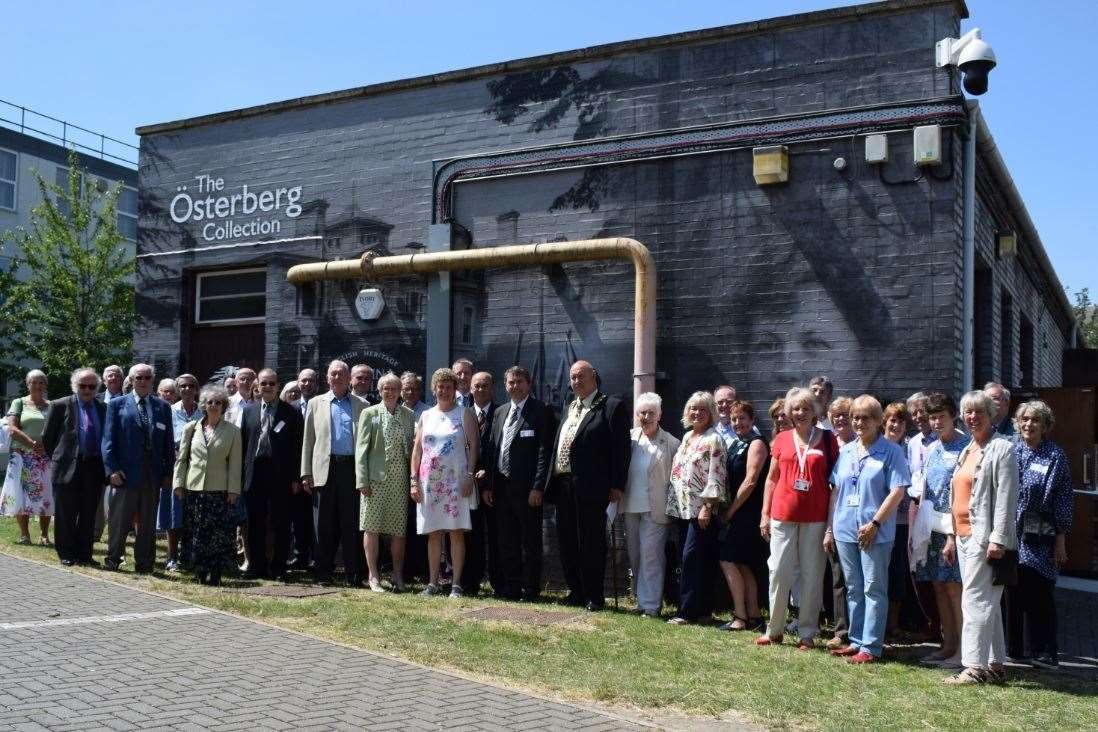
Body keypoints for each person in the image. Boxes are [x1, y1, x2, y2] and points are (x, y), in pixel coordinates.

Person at [826, 395, 911, 663]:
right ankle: (856, 640)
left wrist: (875, 523)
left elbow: (898, 491)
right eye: (855, 417)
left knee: (874, 588)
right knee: (853, 587)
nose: (859, 422)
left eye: (865, 417)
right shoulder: (847, 450)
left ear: (878, 421)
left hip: (875, 532)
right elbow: (836, 490)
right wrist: (830, 528)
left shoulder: (891, 452)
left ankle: (872, 646)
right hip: (844, 530)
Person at [944, 390, 1019, 685]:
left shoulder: (1003, 448)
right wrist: (952, 536)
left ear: (991, 415)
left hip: (984, 538)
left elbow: (1006, 497)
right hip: (963, 536)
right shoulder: (968, 448)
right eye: (968, 412)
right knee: (987, 600)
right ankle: (995, 664)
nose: (973, 417)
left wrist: (998, 539)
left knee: (975, 600)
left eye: (979, 412)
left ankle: (973, 667)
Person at [542, 360, 630, 612]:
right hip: (563, 485)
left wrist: (617, 484)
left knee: (591, 541)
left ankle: (593, 595)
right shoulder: (570, 407)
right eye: (572, 377)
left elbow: (621, 450)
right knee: (567, 540)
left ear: (594, 376)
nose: (576, 381)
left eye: (581, 376)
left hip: (592, 486)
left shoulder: (610, 406)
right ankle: (576, 591)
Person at [757, 387, 838, 649]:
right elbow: (771, 479)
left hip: (815, 517)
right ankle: (775, 628)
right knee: (779, 571)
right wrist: (765, 514)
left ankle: (807, 632)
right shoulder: (781, 439)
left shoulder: (828, 439)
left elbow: (835, 484)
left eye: (805, 408)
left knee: (813, 574)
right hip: (783, 514)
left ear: (814, 411)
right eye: (795, 409)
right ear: (788, 413)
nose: (800, 413)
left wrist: (830, 525)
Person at [1007, 400, 1072, 669]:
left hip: (1039, 533)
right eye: (1024, 419)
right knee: (1013, 589)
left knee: (1039, 591)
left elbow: (1062, 499)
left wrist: (1060, 539)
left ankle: (1046, 652)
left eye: (1035, 420)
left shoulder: (1054, 455)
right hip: (1011, 531)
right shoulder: (1012, 451)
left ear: (1045, 426)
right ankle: (1016, 649)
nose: (1029, 424)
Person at [481, 366, 554, 602]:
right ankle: (511, 588)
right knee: (506, 541)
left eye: (519, 382)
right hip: (501, 489)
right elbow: (493, 450)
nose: (515, 386)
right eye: (511, 382)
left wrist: (538, 487)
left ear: (529, 384)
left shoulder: (540, 411)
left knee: (530, 542)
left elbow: (545, 452)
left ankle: (530, 590)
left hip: (527, 490)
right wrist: (489, 485)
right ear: (505, 385)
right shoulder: (500, 412)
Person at [410, 367, 479, 597]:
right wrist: (413, 480)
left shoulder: (464, 413)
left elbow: (474, 447)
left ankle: (456, 584)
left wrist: (470, 476)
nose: (444, 390)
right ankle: (433, 583)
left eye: (449, 387)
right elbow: (417, 451)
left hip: (456, 483)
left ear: (455, 389)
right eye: (440, 386)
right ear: (434, 388)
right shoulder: (426, 415)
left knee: (456, 532)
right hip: (429, 483)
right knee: (433, 533)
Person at [101, 364, 175, 572]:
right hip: (124, 474)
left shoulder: (163, 407)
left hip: (152, 475)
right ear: (132, 380)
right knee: (119, 521)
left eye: (147, 377)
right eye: (139, 378)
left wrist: (168, 473)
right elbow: (108, 441)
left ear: (153, 380)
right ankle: (113, 559)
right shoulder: (117, 405)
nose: (143, 381)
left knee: (148, 523)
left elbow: (168, 444)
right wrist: (112, 470)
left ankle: (144, 563)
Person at [913, 392, 968, 668]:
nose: (935, 422)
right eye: (932, 417)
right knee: (937, 586)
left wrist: (952, 536)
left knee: (953, 588)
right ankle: (947, 645)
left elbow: (960, 495)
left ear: (953, 416)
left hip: (954, 531)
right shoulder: (934, 448)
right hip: (931, 529)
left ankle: (963, 651)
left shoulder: (965, 448)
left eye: (940, 417)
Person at [301, 360, 367, 586]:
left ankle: (354, 574)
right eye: (333, 374)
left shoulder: (362, 404)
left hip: (351, 470)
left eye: (341, 374)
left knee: (352, 524)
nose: (337, 377)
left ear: (349, 378)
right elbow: (308, 441)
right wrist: (305, 472)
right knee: (324, 525)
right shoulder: (315, 403)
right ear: (327, 378)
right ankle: (323, 573)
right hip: (324, 470)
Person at [666, 391, 727, 625]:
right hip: (682, 510)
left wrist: (708, 506)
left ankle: (686, 612)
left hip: (701, 511)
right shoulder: (686, 437)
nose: (697, 413)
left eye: (702, 409)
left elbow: (717, 475)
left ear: (710, 413)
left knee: (692, 558)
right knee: (690, 559)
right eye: (693, 408)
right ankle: (701, 611)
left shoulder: (714, 439)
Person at [173, 385, 242, 586]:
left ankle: (216, 573)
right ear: (203, 405)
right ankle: (199, 571)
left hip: (220, 491)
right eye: (210, 402)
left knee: (218, 535)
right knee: (196, 532)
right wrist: (178, 483)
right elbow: (182, 459)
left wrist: (233, 490)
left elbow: (236, 463)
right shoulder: (191, 428)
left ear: (223, 406)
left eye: (217, 402)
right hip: (194, 489)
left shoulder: (233, 431)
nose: (213, 405)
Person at [240, 368, 304, 580]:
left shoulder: (291, 412)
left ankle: (278, 567)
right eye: (264, 383)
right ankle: (257, 566)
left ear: (278, 386)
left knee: (281, 523)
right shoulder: (249, 410)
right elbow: (243, 445)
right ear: (257, 385)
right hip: (255, 473)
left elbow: (297, 447)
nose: (267, 387)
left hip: (281, 475)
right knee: (255, 522)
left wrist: (296, 477)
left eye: (272, 383)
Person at [618, 392, 678, 617]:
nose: (646, 417)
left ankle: (651, 606)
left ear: (659, 415)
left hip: (656, 508)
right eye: (642, 413)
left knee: (651, 555)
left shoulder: (671, 442)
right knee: (635, 555)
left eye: (651, 413)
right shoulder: (630, 438)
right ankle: (641, 602)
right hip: (630, 504)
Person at [355, 372, 415, 592]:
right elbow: (361, 450)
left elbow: (414, 448)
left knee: (398, 530)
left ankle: (397, 576)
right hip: (374, 480)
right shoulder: (369, 413)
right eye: (385, 388)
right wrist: (362, 480)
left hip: (400, 480)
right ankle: (373, 576)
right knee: (371, 528)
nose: (389, 392)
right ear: (379, 391)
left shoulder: (408, 415)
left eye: (394, 388)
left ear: (400, 391)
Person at [41, 368, 107, 566]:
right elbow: (48, 438)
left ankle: (85, 555)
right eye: (83, 386)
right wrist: (62, 458)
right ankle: (66, 554)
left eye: (91, 386)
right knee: (65, 514)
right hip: (67, 467)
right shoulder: (60, 405)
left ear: (97, 387)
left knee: (88, 514)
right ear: (75, 386)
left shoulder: (102, 407)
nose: (87, 390)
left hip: (94, 467)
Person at [718, 400, 770, 631]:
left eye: (742, 418)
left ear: (752, 420)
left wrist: (730, 511)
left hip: (746, 512)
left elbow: (750, 481)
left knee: (727, 560)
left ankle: (739, 616)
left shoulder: (756, 443)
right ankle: (754, 616)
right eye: (734, 419)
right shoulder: (736, 444)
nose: (738, 423)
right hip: (738, 512)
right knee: (743, 565)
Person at [1, 370, 54, 545]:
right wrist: (31, 443)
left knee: (46, 494)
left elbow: (57, 431)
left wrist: (45, 446)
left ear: (46, 385)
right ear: (28, 384)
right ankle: (24, 534)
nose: (38, 385)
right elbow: (12, 428)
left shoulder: (51, 405)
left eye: (41, 382)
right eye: (34, 382)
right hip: (22, 456)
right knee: (20, 494)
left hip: (44, 458)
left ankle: (44, 535)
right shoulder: (19, 403)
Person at [161, 373, 201, 572]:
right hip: (175, 467)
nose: (186, 389)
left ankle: (191, 556)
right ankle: (171, 557)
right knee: (174, 514)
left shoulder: (203, 411)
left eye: (191, 386)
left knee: (193, 514)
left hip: (198, 469)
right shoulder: (168, 411)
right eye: (183, 386)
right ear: (178, 389)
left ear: (196, 389)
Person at [882, 401, 914, 638]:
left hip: (901, 522)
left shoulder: (909, 450)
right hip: (876, 520)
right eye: (893, 420)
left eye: (901, 421)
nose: (896, 425)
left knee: (897, 573)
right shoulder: (876, 447)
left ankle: (891, 625)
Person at [463, 370, 497, 596]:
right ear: (470, 389)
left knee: (496, 536)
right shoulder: (462, 414)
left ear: (492, 388)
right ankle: (470, 583)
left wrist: (489, 475)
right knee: (470, 536)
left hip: (494, 487)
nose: (480, 389)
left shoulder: (502, 413)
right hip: (467, 485)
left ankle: (498, 583)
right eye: (477, 386)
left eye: (485, 385)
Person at [288, 367, 319, 570]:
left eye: (310, 381)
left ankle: (317, 558)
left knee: (316, 519)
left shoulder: (321, 406)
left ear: (316, 384)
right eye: (303, 381)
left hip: (317, 472)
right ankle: (299, 557)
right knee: (298, 518)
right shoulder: (290, 408)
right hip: (294, 473)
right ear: (298, 383)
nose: (306, 384)